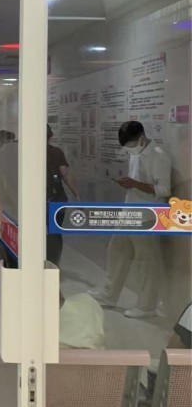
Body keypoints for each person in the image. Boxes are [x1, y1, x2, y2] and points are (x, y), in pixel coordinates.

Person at [89, 121, 172, 319]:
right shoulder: (136, 153)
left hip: (147, 215)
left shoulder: (159, 156)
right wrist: (130, 184)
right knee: (116, 251)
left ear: (141, 138)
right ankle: (109, 294)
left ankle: (146, 306)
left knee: (146, 261)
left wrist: (134, 183)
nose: (130, 149)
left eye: (131, 144)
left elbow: (164, 190)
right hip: (129, 211)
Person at [46, 124, 79, 267]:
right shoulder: (56, 152)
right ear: (51, 136)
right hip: (56, 199)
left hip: (35, 201)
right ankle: (53, 264)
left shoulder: (26, 153)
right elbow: (65, 174)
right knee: (55, 233)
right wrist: (77, 195)